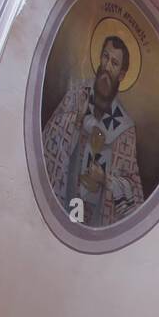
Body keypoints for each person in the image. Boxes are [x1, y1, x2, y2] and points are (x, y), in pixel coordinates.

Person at [42, 35, 144, 227]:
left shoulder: (125, 128)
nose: (106, 66)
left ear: (122, 75)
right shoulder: (77, 94)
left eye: (114, 63)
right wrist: (76, 121)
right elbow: (50, 136)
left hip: (95, 219)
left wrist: (104, 179)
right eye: (105, 57)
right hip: (64, 200)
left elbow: (133, 189)